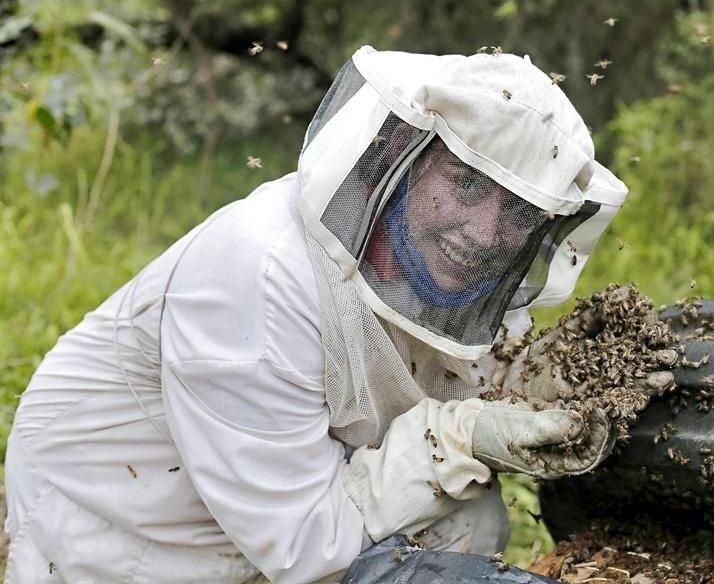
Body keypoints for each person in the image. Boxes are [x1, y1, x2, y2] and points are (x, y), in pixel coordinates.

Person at [3, 46, 628, 583]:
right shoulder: (255, 276)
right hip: (134, 537)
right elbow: (305, 548)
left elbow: (462, 377)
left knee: (468, 513)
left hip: (281, 508)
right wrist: (461, 437)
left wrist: (537, 391)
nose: (486, 232)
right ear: (398, 159)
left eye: (517, 213)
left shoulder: (455, 273)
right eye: (466, 186)